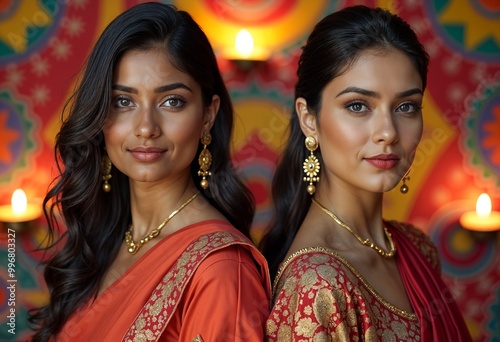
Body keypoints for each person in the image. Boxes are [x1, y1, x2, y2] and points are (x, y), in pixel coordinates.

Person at [28, 3, 271, 341]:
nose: (146, 128)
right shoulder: (107, 238)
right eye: (123, 102)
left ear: (207, 115)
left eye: (171, 101)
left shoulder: (220, 270)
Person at [260, 5, 472, 341]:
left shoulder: (417, 248)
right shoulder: (316, 287)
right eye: (358, 105)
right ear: (309, 118)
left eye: (406, 107)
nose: (387, 132)